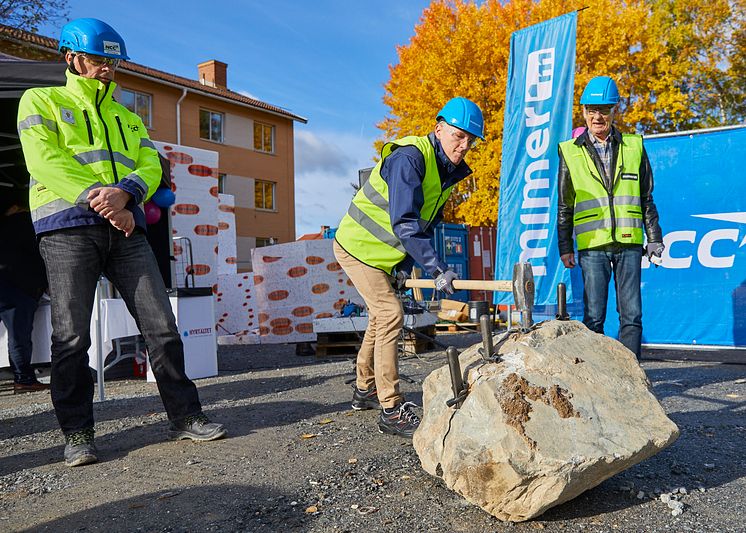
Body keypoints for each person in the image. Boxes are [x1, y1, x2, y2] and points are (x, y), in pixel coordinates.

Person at [17, 18, 226, 467]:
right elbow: (43, 159)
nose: (108, 69)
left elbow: (152, 166)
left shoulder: (128, 117)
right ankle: (78, 434)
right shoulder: (41, 100)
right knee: (71, 337)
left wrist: (127, 194)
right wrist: (105, 200)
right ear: (71, 58)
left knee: (162, 328)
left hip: (124, 227)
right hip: (66, 227)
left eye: (113, 61)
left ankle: (186, 417)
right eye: (98, 60)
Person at [334, 97, 484, 438]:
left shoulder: (444, 171)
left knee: (379, 316)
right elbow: (404, 223)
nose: (463, 146)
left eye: (470, 141)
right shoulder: (410, 158)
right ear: (439, 128)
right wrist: (435, 267)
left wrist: (404, 266)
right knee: (390, 315)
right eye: (458, 136)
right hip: (357, 247)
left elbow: (425, 224)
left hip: (380, 254)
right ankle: (391, 408)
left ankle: (365, 389)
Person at [557, 76, 664, 360]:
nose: (597, 116)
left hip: (629, 244)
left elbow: (646, 199)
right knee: (594, 317)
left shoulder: (634, 147)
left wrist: (654, 238)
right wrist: (565, 246)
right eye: (591, 109)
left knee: (632, 316)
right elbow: (565, 205)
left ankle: (630, 378)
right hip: (592, 246)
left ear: (615, 110)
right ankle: (596, 376)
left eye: (604, 109)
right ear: (583, 112)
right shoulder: (569, 151)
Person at [0, 188, 50, 394]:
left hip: (6, 282)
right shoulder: (29, 224)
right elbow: (43, 253)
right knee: (18, 336)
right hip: (19, 287)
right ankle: (24, 379)